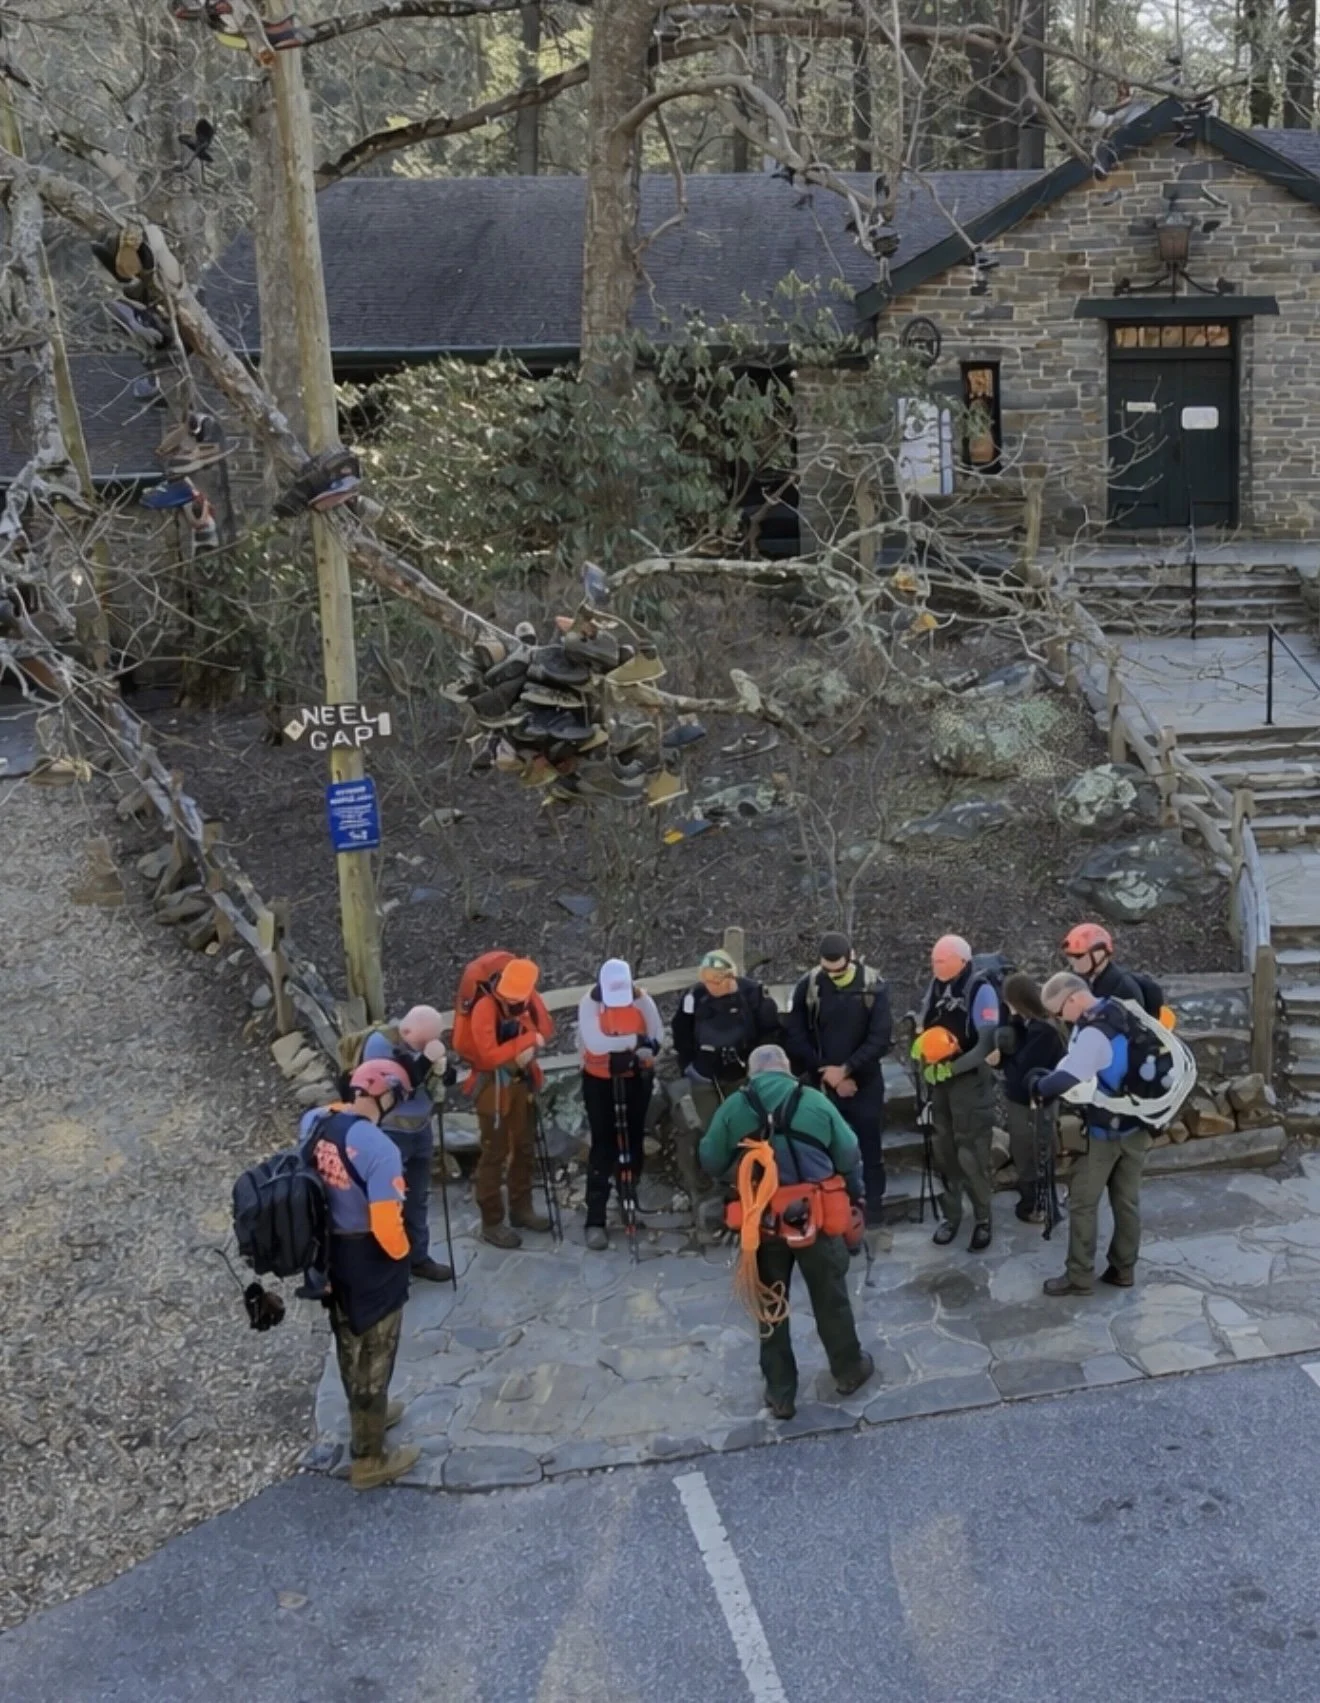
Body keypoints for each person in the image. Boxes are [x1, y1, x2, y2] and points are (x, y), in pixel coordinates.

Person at [699, 1044, 875, 1420]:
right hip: (816, 1217)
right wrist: (857, 1198)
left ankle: (781, 1392)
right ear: (787, 1068)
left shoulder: (733, 1107)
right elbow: (848, 1154)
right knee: (831, 1297)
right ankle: (848, 1370)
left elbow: (711, 1159)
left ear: (753, 1073)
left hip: (762, 1222)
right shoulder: (813, 1100)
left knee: (770, 1304)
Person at [299, 1059, 419, 1491]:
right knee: (376, 1353)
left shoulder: (315, 1121)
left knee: (348, 1342)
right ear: (385, 1095)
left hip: (328, 1255)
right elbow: (388, 1228)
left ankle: (367, 1413)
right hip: (369, 1259)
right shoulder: (380, 1149)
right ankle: (368, 1459)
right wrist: (405, 1257)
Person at [1035, 971, 1153, 1296]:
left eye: (1059, 1012)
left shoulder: (1093, 1033)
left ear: (1073, 999)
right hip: (1138, 1123)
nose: (1060, 1019)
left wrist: (1038, 1086)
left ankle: (1078, 1275)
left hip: (1106, 1131)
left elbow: (1067, 1078)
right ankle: (1123, 1269)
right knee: (1127, 1201)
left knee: (1083, 1203)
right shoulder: (1119, 1009)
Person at [784, 931, 893, 1223]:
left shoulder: (873, 986)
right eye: (828, 970)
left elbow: (880, 1038)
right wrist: (828, 1073)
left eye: (840, 970)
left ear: (852, 957)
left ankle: (874, 1206)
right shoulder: (809, 986)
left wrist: (846, 1070)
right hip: (823, 1082)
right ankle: (839, 1207)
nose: (833, 975)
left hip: (865, 1080)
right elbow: (795, 1033)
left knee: (870, 1145)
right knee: (829, 1148)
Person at [914, 934, 1001, 1252]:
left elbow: (986, 1044)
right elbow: (925, 1027)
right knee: (944, 1150)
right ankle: (952, 1216)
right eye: (933, 960)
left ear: (961, 961)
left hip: (969, 1081)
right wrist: (923, 1057)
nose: (935, 966)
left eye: (941, 961)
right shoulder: (936, 987)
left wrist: (953, 1068)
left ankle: (983, 1218)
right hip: (940, 1082)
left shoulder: (981, 990)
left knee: (972, 1152)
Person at [464, 956, 555, 1248]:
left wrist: (526, 1043)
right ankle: (492, 1222)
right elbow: (488, 1055)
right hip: (493, 1088)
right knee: (494, 1153)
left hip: (520, 1083)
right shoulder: (484, 1007)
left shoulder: (529, 997)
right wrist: (525, 1043)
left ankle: (521, 1208)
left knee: (524, 1148)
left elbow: (547, 1029)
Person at [360, 1006, 453, 1283]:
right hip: (391, 1134)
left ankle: (418, 1258)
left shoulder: (420, 1041)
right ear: (407, 1031)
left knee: (418, 1198)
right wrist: (425, 1060)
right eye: (422, 1042)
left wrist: (444, 1070)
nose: (427, 1046)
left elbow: (436, 1079)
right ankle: (387, 1262)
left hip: (421, 1130)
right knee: (388, 1202)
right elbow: (398, 1087)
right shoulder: (380, 1045)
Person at [577, 958, 663, 1251]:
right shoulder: (589, 1003)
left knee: (634, 1140)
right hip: (599, 1080)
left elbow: (656, 1036)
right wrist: (633, 1041)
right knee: (603, 1144)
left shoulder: (642, 1001)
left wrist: (640, 1049)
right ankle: (595, 1218)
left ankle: (629, 1198)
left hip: (634, 1078)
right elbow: (595, 1042)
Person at [672, 947, 780, 1129]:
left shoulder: (754, 994)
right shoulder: (694, 996)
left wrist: (756, 1067)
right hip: (703, 1073)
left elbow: (771, 1033)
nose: (711, 986)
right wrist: (688, 1065)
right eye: (706, 980)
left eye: (716, 980)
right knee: (706, 1127)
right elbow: (681, 1031)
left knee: (744, 1127)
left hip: (743, 1074)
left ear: (730, 976)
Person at [993, 972, 1066, 1224]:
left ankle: (1038, 1205)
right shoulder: (1031, 1026)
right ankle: (1036, 1200)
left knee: (1030, 1152)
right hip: (1028, 1103)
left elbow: (1021, 1074)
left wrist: (999, 1063)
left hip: (1032, 1105)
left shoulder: (1043, 1033)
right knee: (1028, 1150)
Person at [1060, 923, 1164, 1017]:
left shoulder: (1123, 989)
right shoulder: (1085, 980)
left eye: (1078, 956)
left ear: (1098, 954)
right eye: (1069, 957)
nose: (1072, 962)